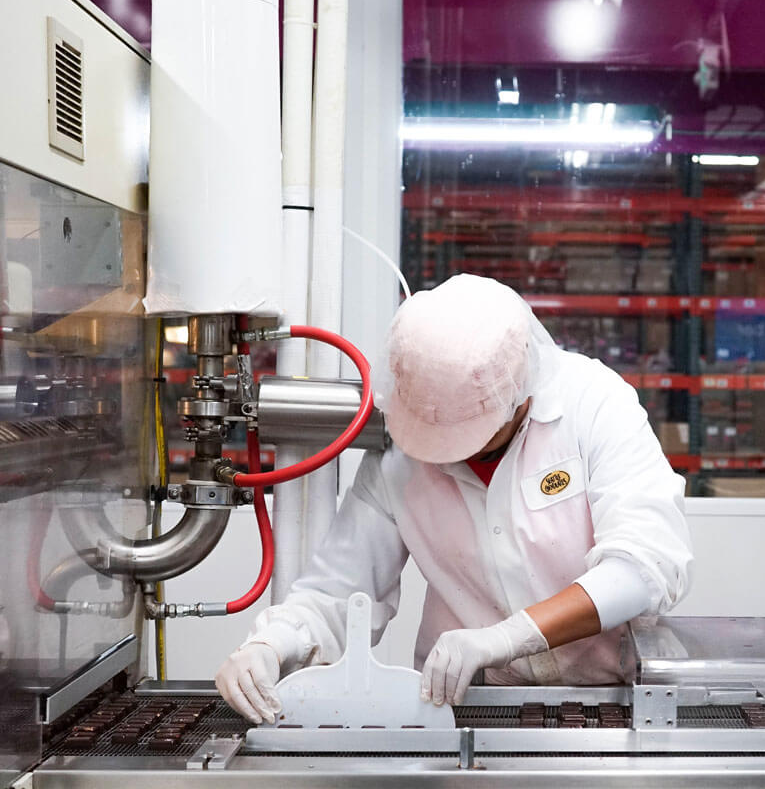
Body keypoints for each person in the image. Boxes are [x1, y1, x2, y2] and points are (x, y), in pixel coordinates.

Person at [216, 274, 693, 722]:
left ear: (518, 391)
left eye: (468, 436)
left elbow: (643, 566)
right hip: (468, 708)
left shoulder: (592, 405)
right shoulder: (401, 453)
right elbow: (339, 593)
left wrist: (507, 637)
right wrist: (269, 646)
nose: (448, 457)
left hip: (607, 700)